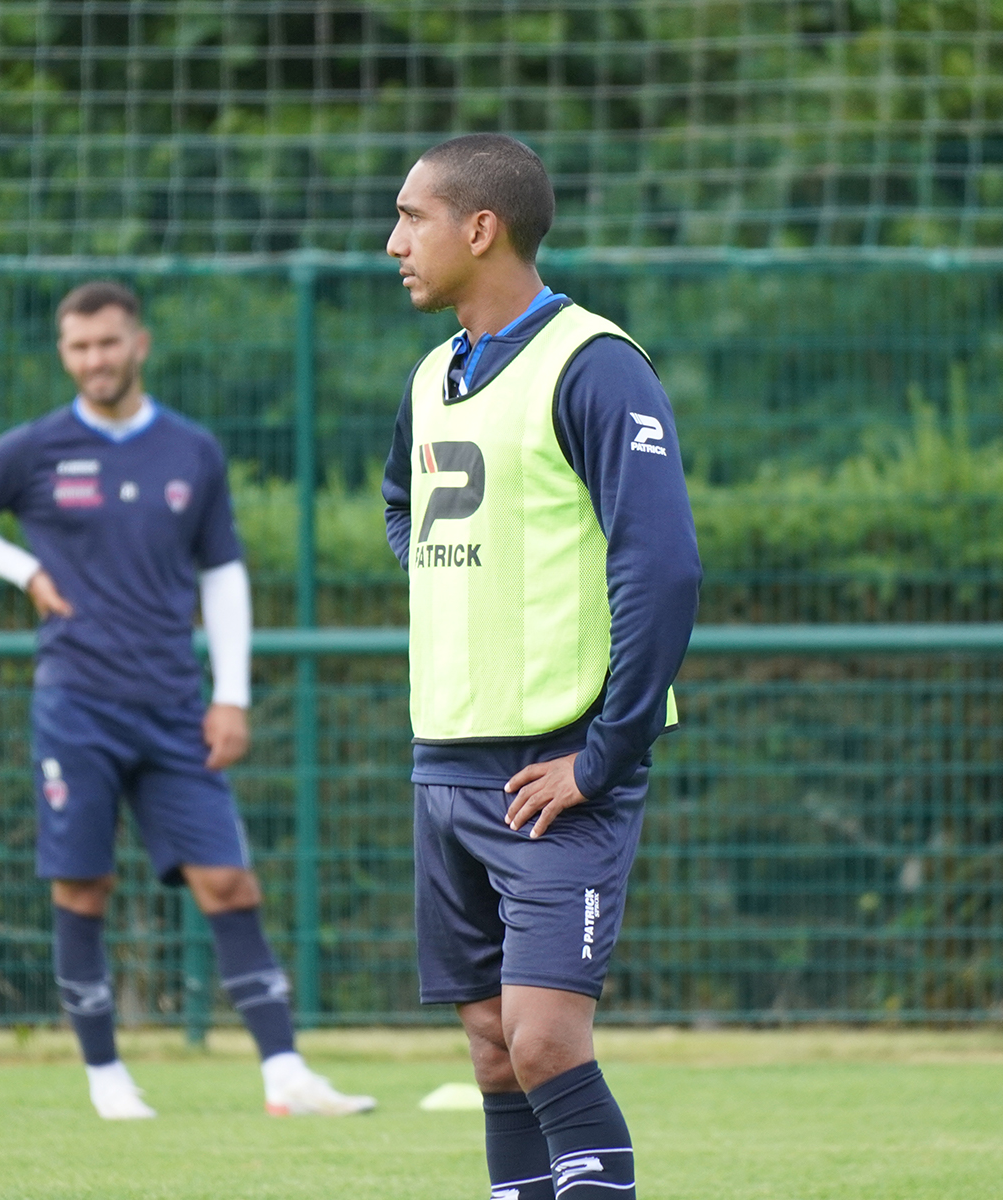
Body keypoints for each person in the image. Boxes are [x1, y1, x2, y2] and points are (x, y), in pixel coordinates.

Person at [0, 280, 373, 1121]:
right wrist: (24, 570)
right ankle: (107, 1080)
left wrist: (230, 696)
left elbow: (224, 573)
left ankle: (286, 1076)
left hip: (173, 706)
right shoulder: (35, 448)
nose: (94, 360)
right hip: (75, 703)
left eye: (108, 344)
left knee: (229, 882)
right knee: (83, 886)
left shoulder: (192, 450)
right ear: (65, 354)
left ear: (140, 345)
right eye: (79, 347)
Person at [381, 135, 701, 1200]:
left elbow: (663, 570)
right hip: (446, 765)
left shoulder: (595, 364)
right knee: (488, 1045)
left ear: (482, 228)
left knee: (546, 1039)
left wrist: (603, 752)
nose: (394, 244)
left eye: (412, 218)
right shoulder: (434, 374)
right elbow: (403, 507)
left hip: (556, 770)